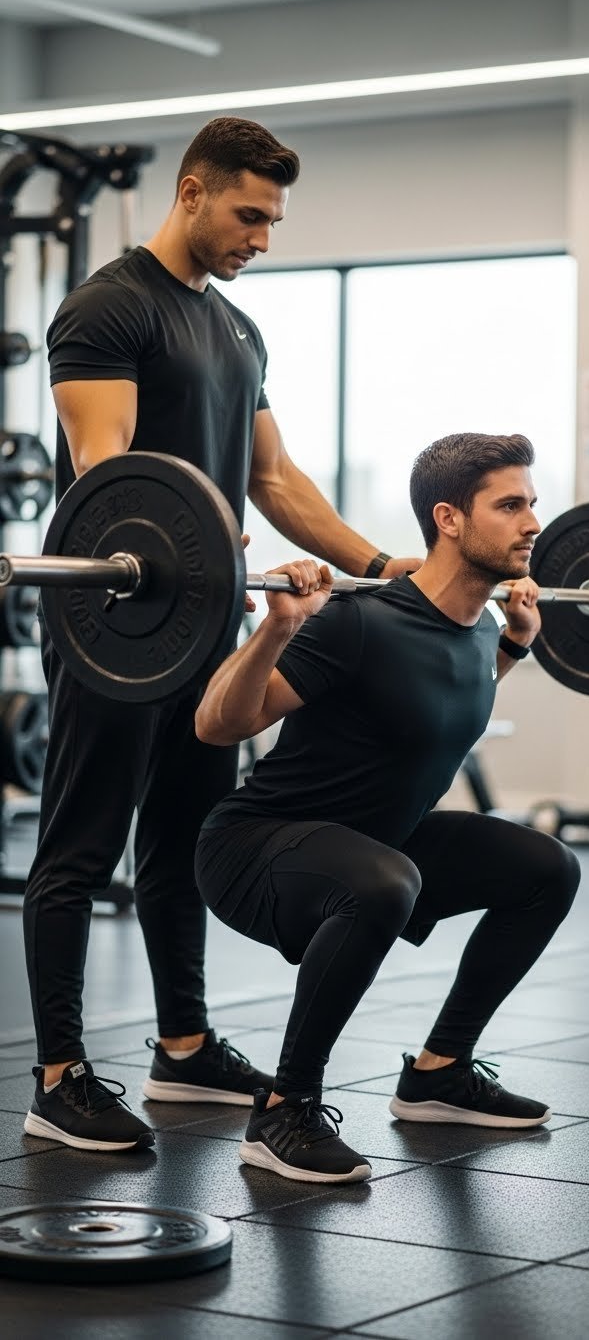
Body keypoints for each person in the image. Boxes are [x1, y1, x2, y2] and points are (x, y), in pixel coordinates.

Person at [22, 115, 421, 1155]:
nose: (264, 236)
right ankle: (57, 1075)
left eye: (274, 218)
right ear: (192, 193)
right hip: (115, 628)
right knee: (79, 845)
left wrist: (386, 568)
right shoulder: (109, 308)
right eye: (250, 213)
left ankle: (183, 1046)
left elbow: (274, 481)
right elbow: (106, 474)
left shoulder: (237, 330)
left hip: (206, 632)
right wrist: (181, 527)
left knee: (181, 841)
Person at [194, 431, 581, 1185]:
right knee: (385, 880)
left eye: (532, 503)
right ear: (449, 518)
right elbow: (217, 723)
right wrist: (278, 626)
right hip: (256, 849)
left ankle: (438, 1073)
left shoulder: (474, 630)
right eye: (510, 505)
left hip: (379, 845)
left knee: (546, 867)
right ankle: (283, 1109)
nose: (533, 521)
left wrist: (516, 647)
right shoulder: (359, 620)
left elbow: (431, 700)